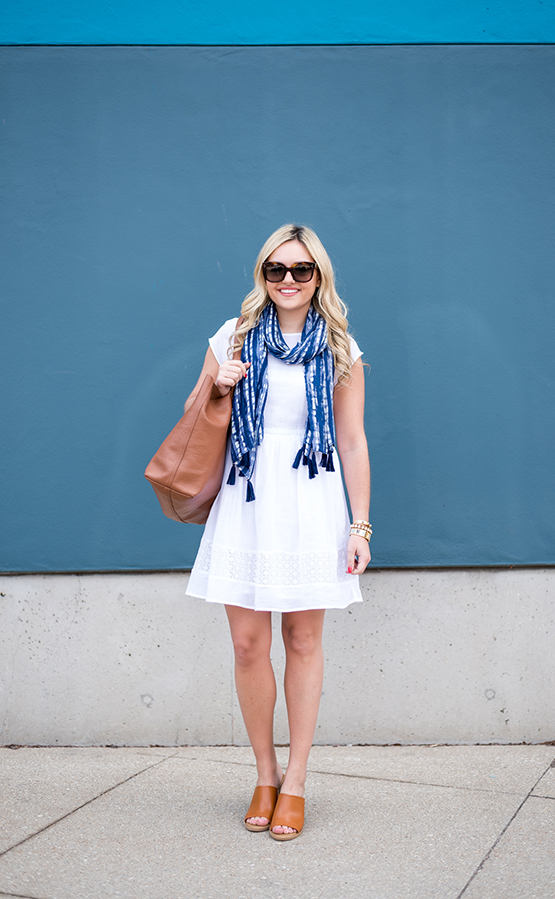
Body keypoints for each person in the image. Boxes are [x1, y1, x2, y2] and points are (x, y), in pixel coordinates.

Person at [184, 224, 371, 840]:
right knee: (245, 644)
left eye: (301, 270)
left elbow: (350, 440)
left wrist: (358, 525)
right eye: (275, 270)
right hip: (247, 498)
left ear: (319, 277)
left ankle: (296, 779)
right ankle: (263, 773)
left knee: (303, 640)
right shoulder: (231, 337)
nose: (288, 281)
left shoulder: (340, 348)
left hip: (312, 501)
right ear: (262, 275)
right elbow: (195, 417)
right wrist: (219, 386)